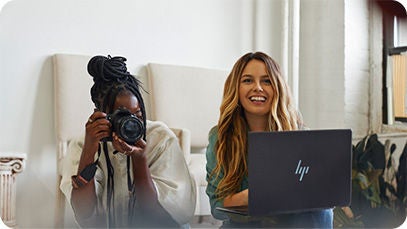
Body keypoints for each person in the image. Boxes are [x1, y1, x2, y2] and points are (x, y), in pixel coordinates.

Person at [60, 55, 196, 228]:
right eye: (121, 116)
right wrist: (89, 149)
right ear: (100, 114)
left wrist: (140, 160)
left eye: (138, 115)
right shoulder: (84, 143)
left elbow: (156, 214)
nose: (131, 123)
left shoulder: (160, 138)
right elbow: (84, 213)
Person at [205, 51, 333, 228]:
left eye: (267, 81)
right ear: (236, 88)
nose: (258, 87)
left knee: (322, 211)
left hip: (291, 222)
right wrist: (251, 197)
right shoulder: (220, 137)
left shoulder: (299, 133)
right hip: (246, 223)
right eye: (247, 80)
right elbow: (217, 207)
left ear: (277, 88)